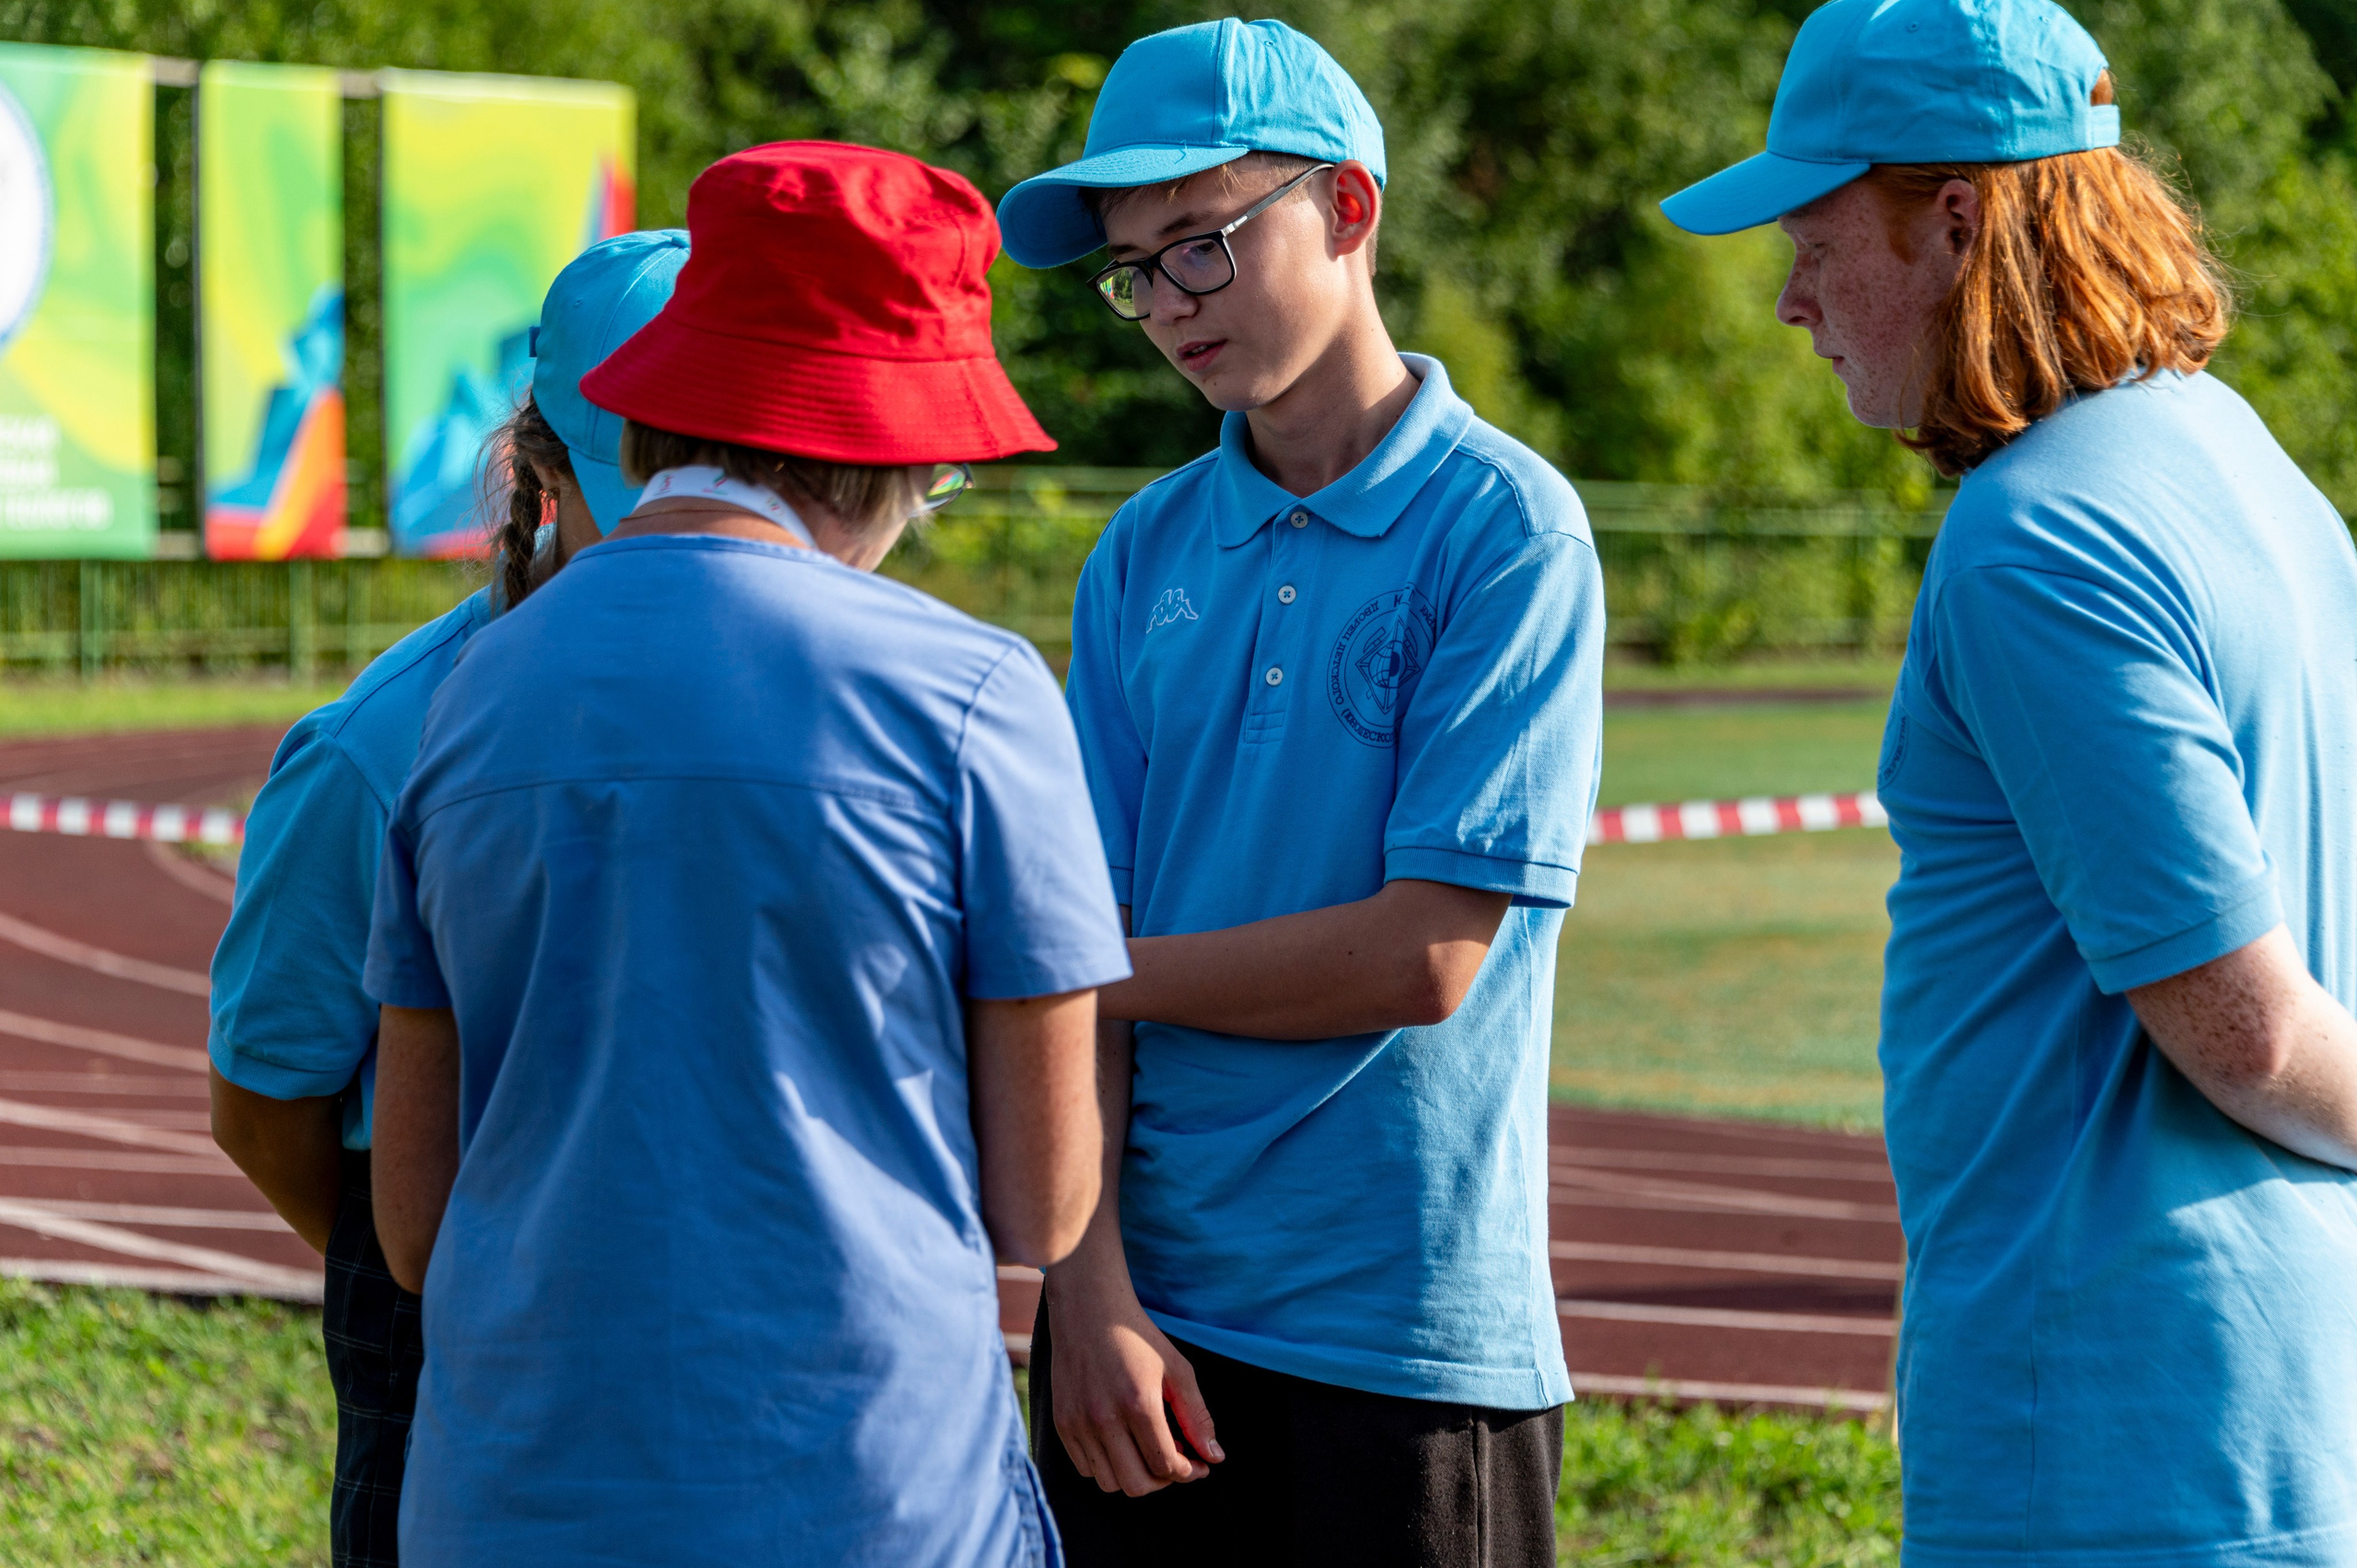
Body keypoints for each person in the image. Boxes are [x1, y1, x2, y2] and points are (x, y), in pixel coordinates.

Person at [361, 141, 1128, 1567]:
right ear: (895, 444)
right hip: (864, 1494)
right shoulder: (973, 695)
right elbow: (1045, 1199)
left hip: (511, 1494)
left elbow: (412, 1224)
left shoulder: (471, 694)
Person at [1660, 0, 2357, 1561]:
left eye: (1819, 241)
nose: (1792, 300)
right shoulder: (2248, 464)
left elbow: (2243, 1029)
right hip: (2281, 1364)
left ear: (1957, 221)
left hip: (2118, 1396)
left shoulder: (2034, 536)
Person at [994, 21, 1604, 1564]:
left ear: (1347, 210)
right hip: (1151, 1335)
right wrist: (1090, 1293)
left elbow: (1425, 957)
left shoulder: (1506, 533)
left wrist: (1088, 978)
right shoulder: (1141, 551)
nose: (1166, 310)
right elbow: (1095, 931)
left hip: (1402, 1340)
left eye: (1200, 247)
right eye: (1135, 271)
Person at [206, 227, 688, 1568]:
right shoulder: (380, 753)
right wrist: (429, 1255)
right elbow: (265, 1100)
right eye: (642, 513)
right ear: (540, 479)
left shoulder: (782, 709)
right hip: (442, 1314)